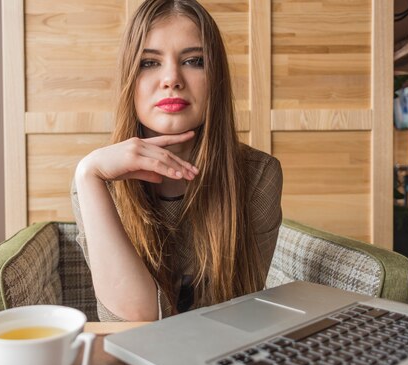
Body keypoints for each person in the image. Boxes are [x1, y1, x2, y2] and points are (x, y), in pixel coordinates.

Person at [71, 0, 283, 321]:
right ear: (130, 80)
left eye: (194, 60)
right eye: (149, 63)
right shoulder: (96, 181)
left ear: (216, 79)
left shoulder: (258, 175)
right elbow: (134, 321)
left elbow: (243, 315)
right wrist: (88, 174)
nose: (172, 79)